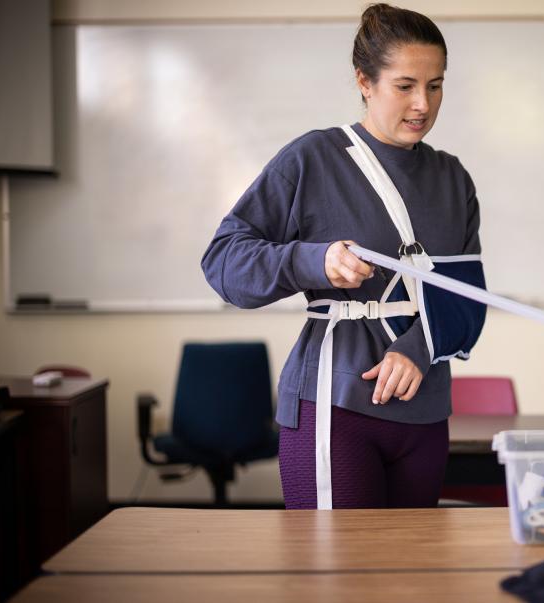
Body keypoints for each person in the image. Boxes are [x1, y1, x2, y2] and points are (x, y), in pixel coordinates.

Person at [202, 4, 483, 509]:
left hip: (427, 413)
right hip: (334, 405)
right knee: (334, 579)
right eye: (405, 86)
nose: (423, 103)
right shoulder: (312, 159)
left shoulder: (453, 179)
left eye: (435, 85)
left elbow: (467, 299)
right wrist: (315, 261)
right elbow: (224, 262)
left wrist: (417, 350)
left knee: (411, 584)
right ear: (364, 81)